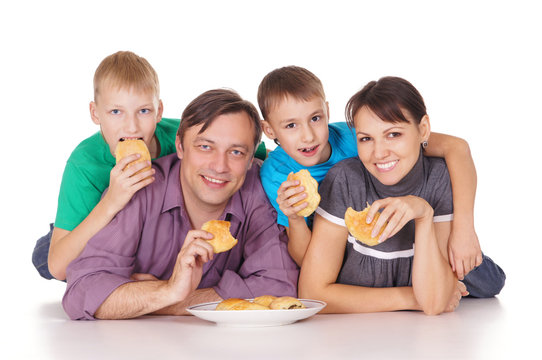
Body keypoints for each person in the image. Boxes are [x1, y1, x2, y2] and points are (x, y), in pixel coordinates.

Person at [62, 88, 298, 320]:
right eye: (205, 147)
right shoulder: (139, 187)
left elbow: (279, 286)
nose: (219, 166)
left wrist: (169, 299)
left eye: (236, 152)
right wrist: (169, 290)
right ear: (180, 146)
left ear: (250, 160)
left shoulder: (260, 190)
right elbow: (82, 291)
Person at [31, 51, 266, 281]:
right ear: (95, 113)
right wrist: (112, 200)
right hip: (94, 224)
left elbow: (247, 148)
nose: (131, 127)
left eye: (143, 111)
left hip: (155, 233)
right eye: (115, 112)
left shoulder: (185, 138)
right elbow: (58, 267)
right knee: (43, 254)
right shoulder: (85, 164)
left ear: (159, 112)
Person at [298, 77, 505, 314]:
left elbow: (434, 304)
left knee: (487, 278)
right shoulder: (345, 179)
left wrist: (424, 214)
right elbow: (313, 294)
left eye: (394, 134)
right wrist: (411, 298)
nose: (379, 152)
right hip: (361, 339)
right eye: (366, 138)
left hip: (426, 330)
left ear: (423, 129)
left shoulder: (439, 177)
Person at [258, 66, 483, 276]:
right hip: (344, 260)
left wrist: (464, 230)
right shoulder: (275, 175)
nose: (308, 136)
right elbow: (309, 263)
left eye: (315, 118)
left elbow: (456, 147)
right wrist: (295, 219)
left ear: (327, 110)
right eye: (291, 125)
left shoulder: (359, 137)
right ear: (269, 129)